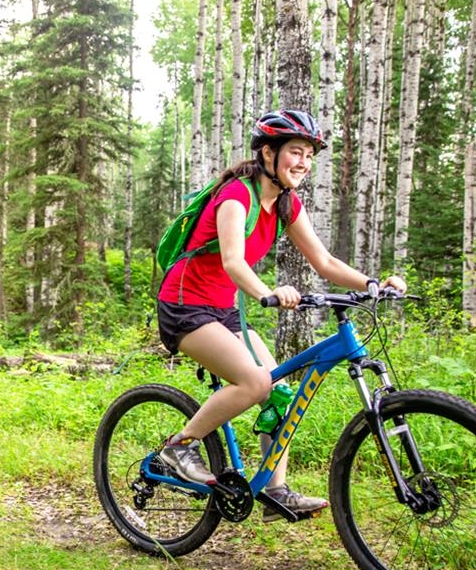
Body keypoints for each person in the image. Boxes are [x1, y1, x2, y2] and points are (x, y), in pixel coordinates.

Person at [156, 110, 406, 520]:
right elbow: (235, 262)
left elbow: (324, 261)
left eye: (309, 154)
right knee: (254, 382)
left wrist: (372, 284)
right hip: (185, 304)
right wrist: (267, 291)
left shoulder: (287, 204)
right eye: (295, 151)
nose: (303, 162)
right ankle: (179, 446)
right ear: (268, 153)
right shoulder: (237, 196)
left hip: (221, 309)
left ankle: (276, 491)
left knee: (278, 390)